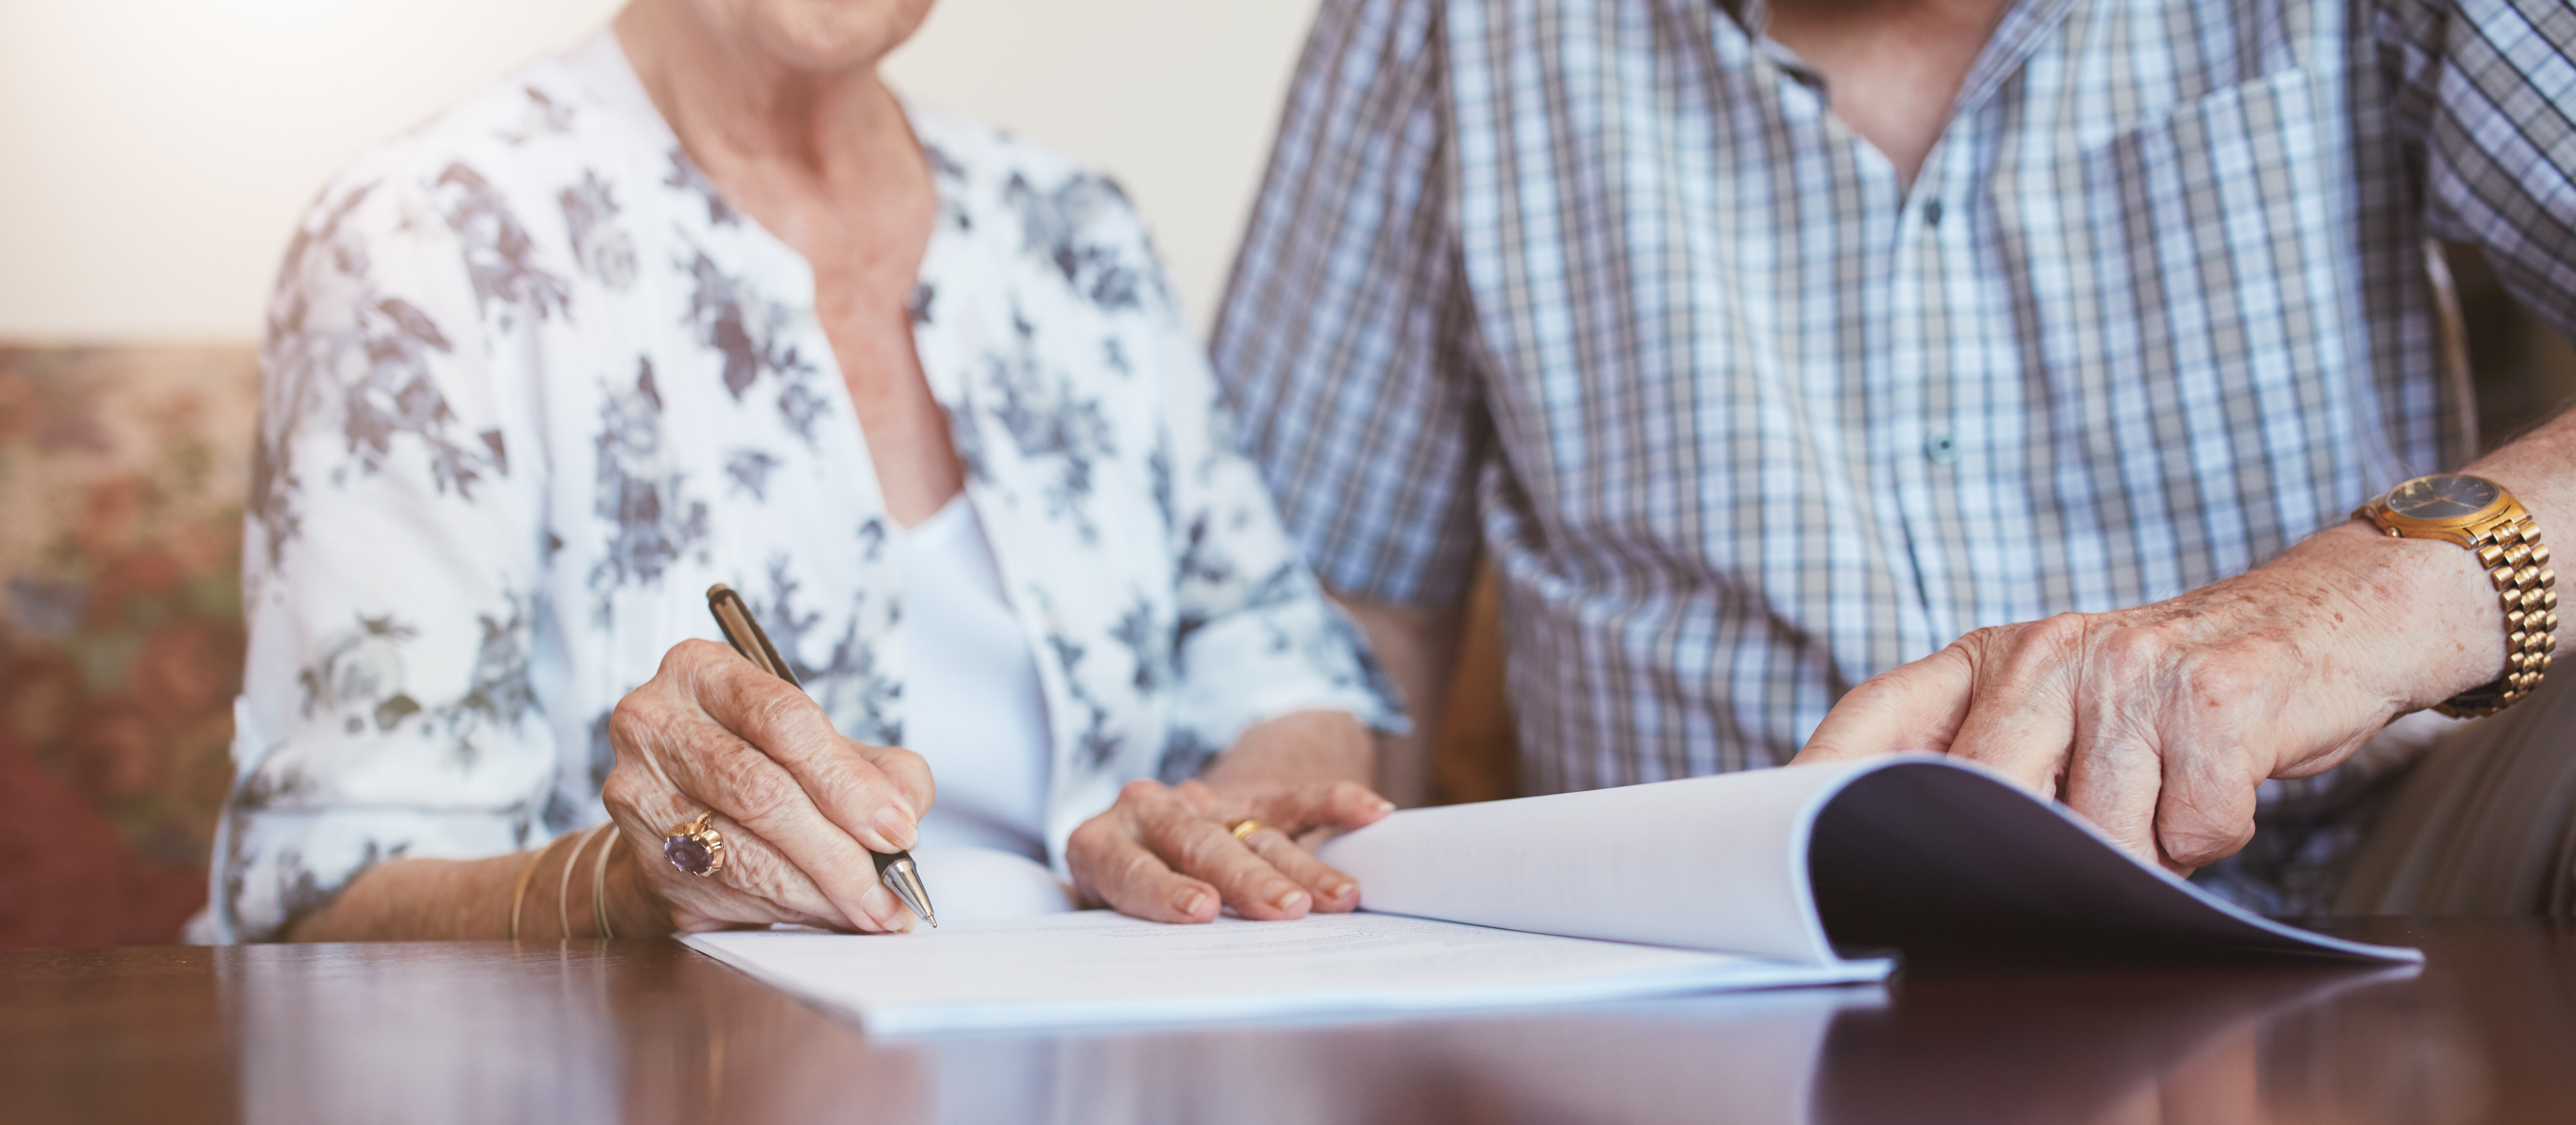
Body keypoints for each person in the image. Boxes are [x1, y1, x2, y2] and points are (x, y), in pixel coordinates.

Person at [1216, 0, 2576, 916]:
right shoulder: (1440, 29)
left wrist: (2347, 614)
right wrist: (1283, 800)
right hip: (1717, 973)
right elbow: (1332, 604)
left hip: (2371, 896)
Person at [199, 0, 1402, 943]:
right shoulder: (423, 242)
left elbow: (1277, 654)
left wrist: (1227, 822)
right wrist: (636, 890)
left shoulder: (1072, 232)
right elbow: (323, 891)